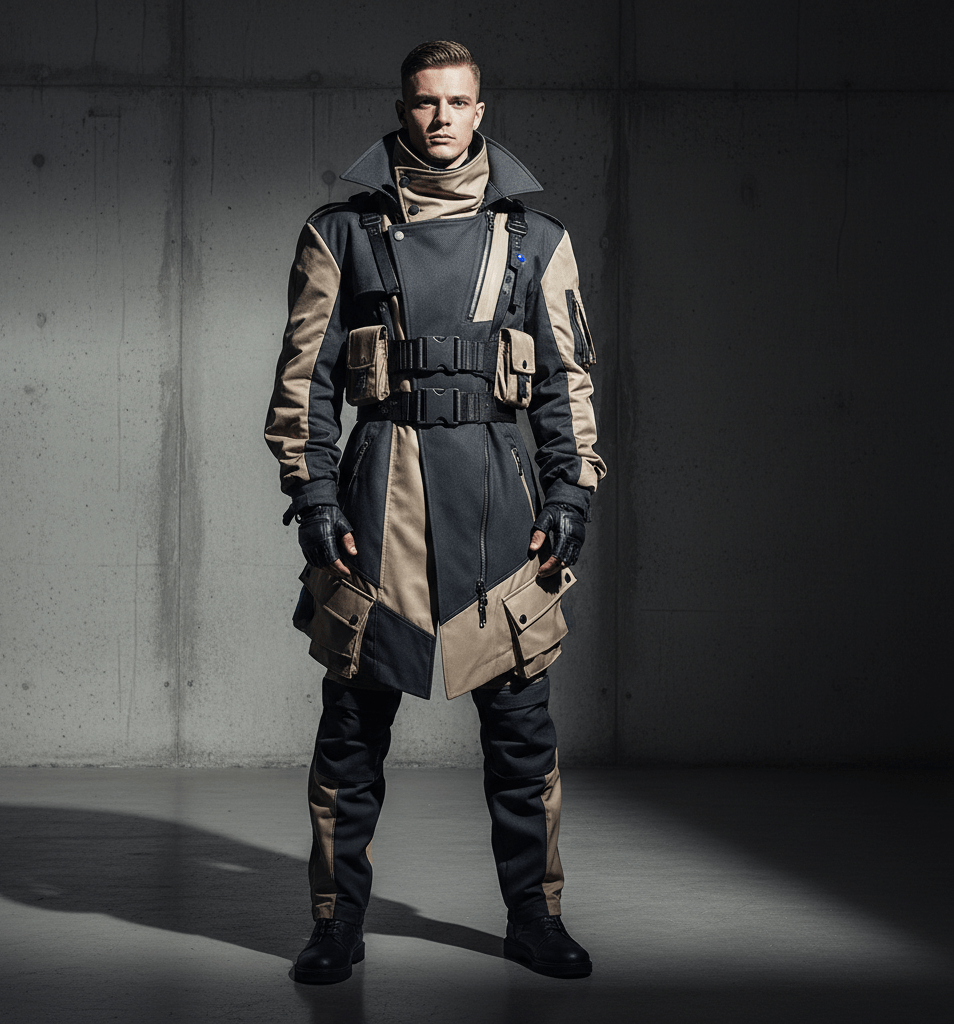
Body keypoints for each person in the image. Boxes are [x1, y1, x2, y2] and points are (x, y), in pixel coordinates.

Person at [264, 40, 605, 984]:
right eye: (426, 102)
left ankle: (536, 917)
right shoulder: (341, 232)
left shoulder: (539, 241)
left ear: (481, 107)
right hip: (380, 514)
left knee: (523, 733)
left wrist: (571, 493)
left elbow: (567, 387)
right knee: (351, 732)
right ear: (403, 107)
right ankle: (335, 923)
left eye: (458, 101)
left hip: (504, 513)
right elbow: (305, 384)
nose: (442, 119)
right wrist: (314, 497)